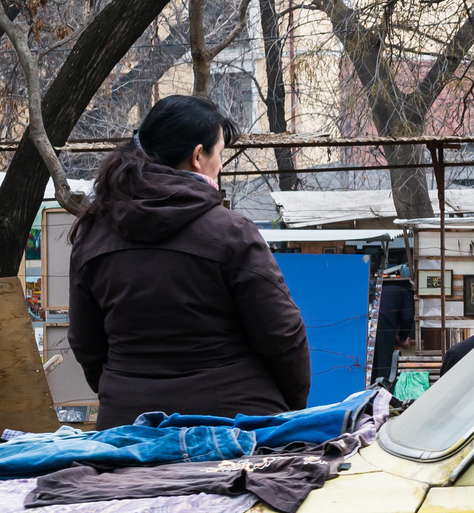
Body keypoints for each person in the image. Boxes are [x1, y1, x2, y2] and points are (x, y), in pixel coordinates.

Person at [69, 95, 311, 428]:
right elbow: (283, 335)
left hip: (127, 429)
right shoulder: (231, 232)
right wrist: (287, 409)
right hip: (233, 426)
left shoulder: (93, 233)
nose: (222, 165)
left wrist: (127, 392)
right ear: (198, 156)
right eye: (221, 153)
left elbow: (86, 344)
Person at [372, 265, 417, 385]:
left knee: (373, 358)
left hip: (372, 316)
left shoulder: (386, 290)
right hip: (384, 319)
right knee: (384, 358)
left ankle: (371, 386)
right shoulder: (407, 295)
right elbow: (407, 317)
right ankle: (383, 388)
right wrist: (403, 338)